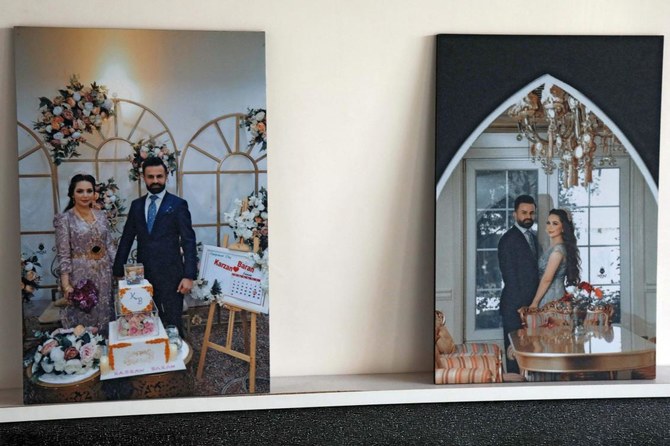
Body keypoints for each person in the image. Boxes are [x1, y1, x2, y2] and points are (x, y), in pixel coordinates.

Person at [113, 157, 197, 337]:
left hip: (172, 275)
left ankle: (177, 358)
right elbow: (127, 238)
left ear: (166, 176)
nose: (155, 181)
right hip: (142, 276)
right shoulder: (136, 206)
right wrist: (118, 270)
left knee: (173, 322)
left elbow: (188, 240)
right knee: (143, 321)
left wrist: (189, 275)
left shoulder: (178, 205)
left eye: (159, 176)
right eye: (150, 177)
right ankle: (152, 358)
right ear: (143, 178)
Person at [54, 174, 116, 333]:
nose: (85, 195)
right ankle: (86, 352)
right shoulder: (65, 219)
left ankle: (105, 350)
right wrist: (66, 284)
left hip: (104, 272)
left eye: (89, 191)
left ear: (94, 194)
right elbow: (63, 253)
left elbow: (109, 245)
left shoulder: (101, 216)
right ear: (72, 194)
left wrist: (120, 272)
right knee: (83, 314)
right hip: (80, 275)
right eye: (80, 191)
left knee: (105, 312)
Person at [498, 195, 540, 374]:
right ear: (515, 214)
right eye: (524, 213)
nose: (528, 216)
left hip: (530, 306)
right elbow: (510, 277)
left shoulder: (532, 237)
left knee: (531, 353)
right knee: (515, 354)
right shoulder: (508, 240)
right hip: (515, 306)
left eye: (531, 213)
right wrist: (523, 307)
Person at [529, 209, 581, 309]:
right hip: (550, 295)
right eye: (548, 223)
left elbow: (547, 279)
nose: (550, 227)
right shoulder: (554, 248)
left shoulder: (557, 252)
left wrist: (535, 302)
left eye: (555, 223)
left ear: (563, 228)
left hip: (551, 299)